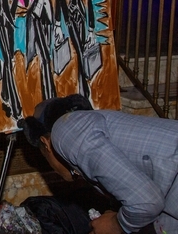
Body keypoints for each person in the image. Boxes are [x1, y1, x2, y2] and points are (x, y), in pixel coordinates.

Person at [21, 94, 178, 234]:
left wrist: (115, 224)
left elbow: (147, 202)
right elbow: (159, 219)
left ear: (45, 143)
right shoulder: (94, 130)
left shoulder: (65, 129)